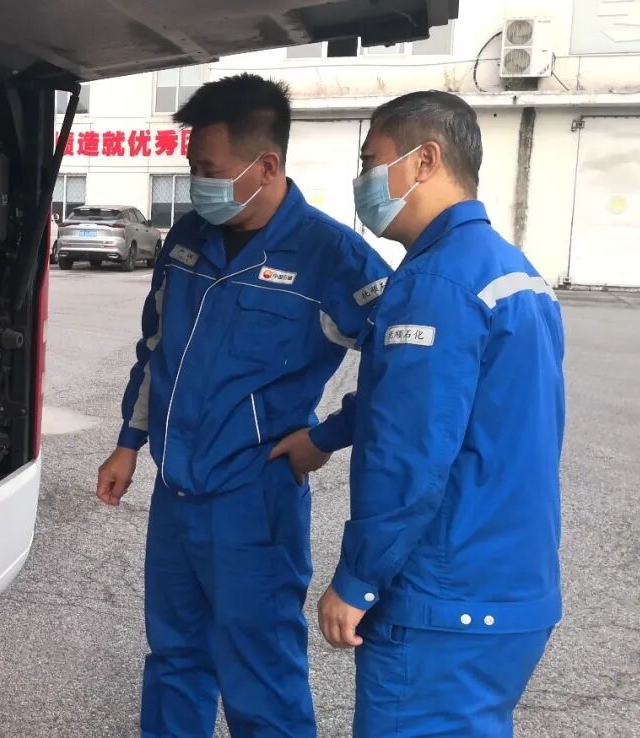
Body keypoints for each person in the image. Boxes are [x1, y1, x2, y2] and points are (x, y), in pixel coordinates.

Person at [95, 73, 391, 738]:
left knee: (261, 677)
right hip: (176, 490)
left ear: (267, 166)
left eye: (210, 171)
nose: (197, 184)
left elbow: (406, 368)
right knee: (175, 659)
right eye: (192, 169)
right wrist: (128, 443)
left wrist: (328, 435)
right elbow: (156, 348)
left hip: (254, 500)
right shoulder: (188, 239)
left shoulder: (332, 257)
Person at [314, 90, 565, 737]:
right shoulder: (515, 274)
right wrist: (325, 436)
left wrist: (358, 579)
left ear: (424, 161)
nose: (363, 180)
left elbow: (411, 451)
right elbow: (436, 403)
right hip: (514, 593)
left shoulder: (436, 282)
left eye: (371, 160)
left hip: (444, 603)